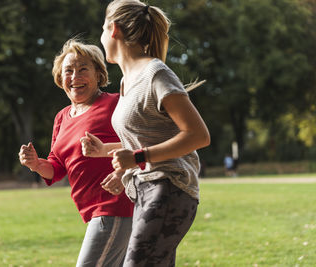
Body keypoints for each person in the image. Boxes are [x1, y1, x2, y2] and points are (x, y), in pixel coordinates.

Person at [80, 1, 210, 266]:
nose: (102, 38)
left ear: (113, 29)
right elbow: (147, 137)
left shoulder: (155, 74)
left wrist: (138, 157)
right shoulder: (128, 81)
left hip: (169, 187)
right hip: (145, 189)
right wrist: (107, 152)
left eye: (102, 30)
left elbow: (198, 135)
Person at [18, 39, 134, 267]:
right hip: (92, 212)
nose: (75, 77)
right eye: (68, 71)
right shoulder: (61, 117)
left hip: (116, 206)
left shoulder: (115, 104)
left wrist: (117, 166)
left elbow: (141, 142)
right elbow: (57, 167)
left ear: (99, 75)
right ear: (60, 79)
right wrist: (35, 164)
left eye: (83, 69)